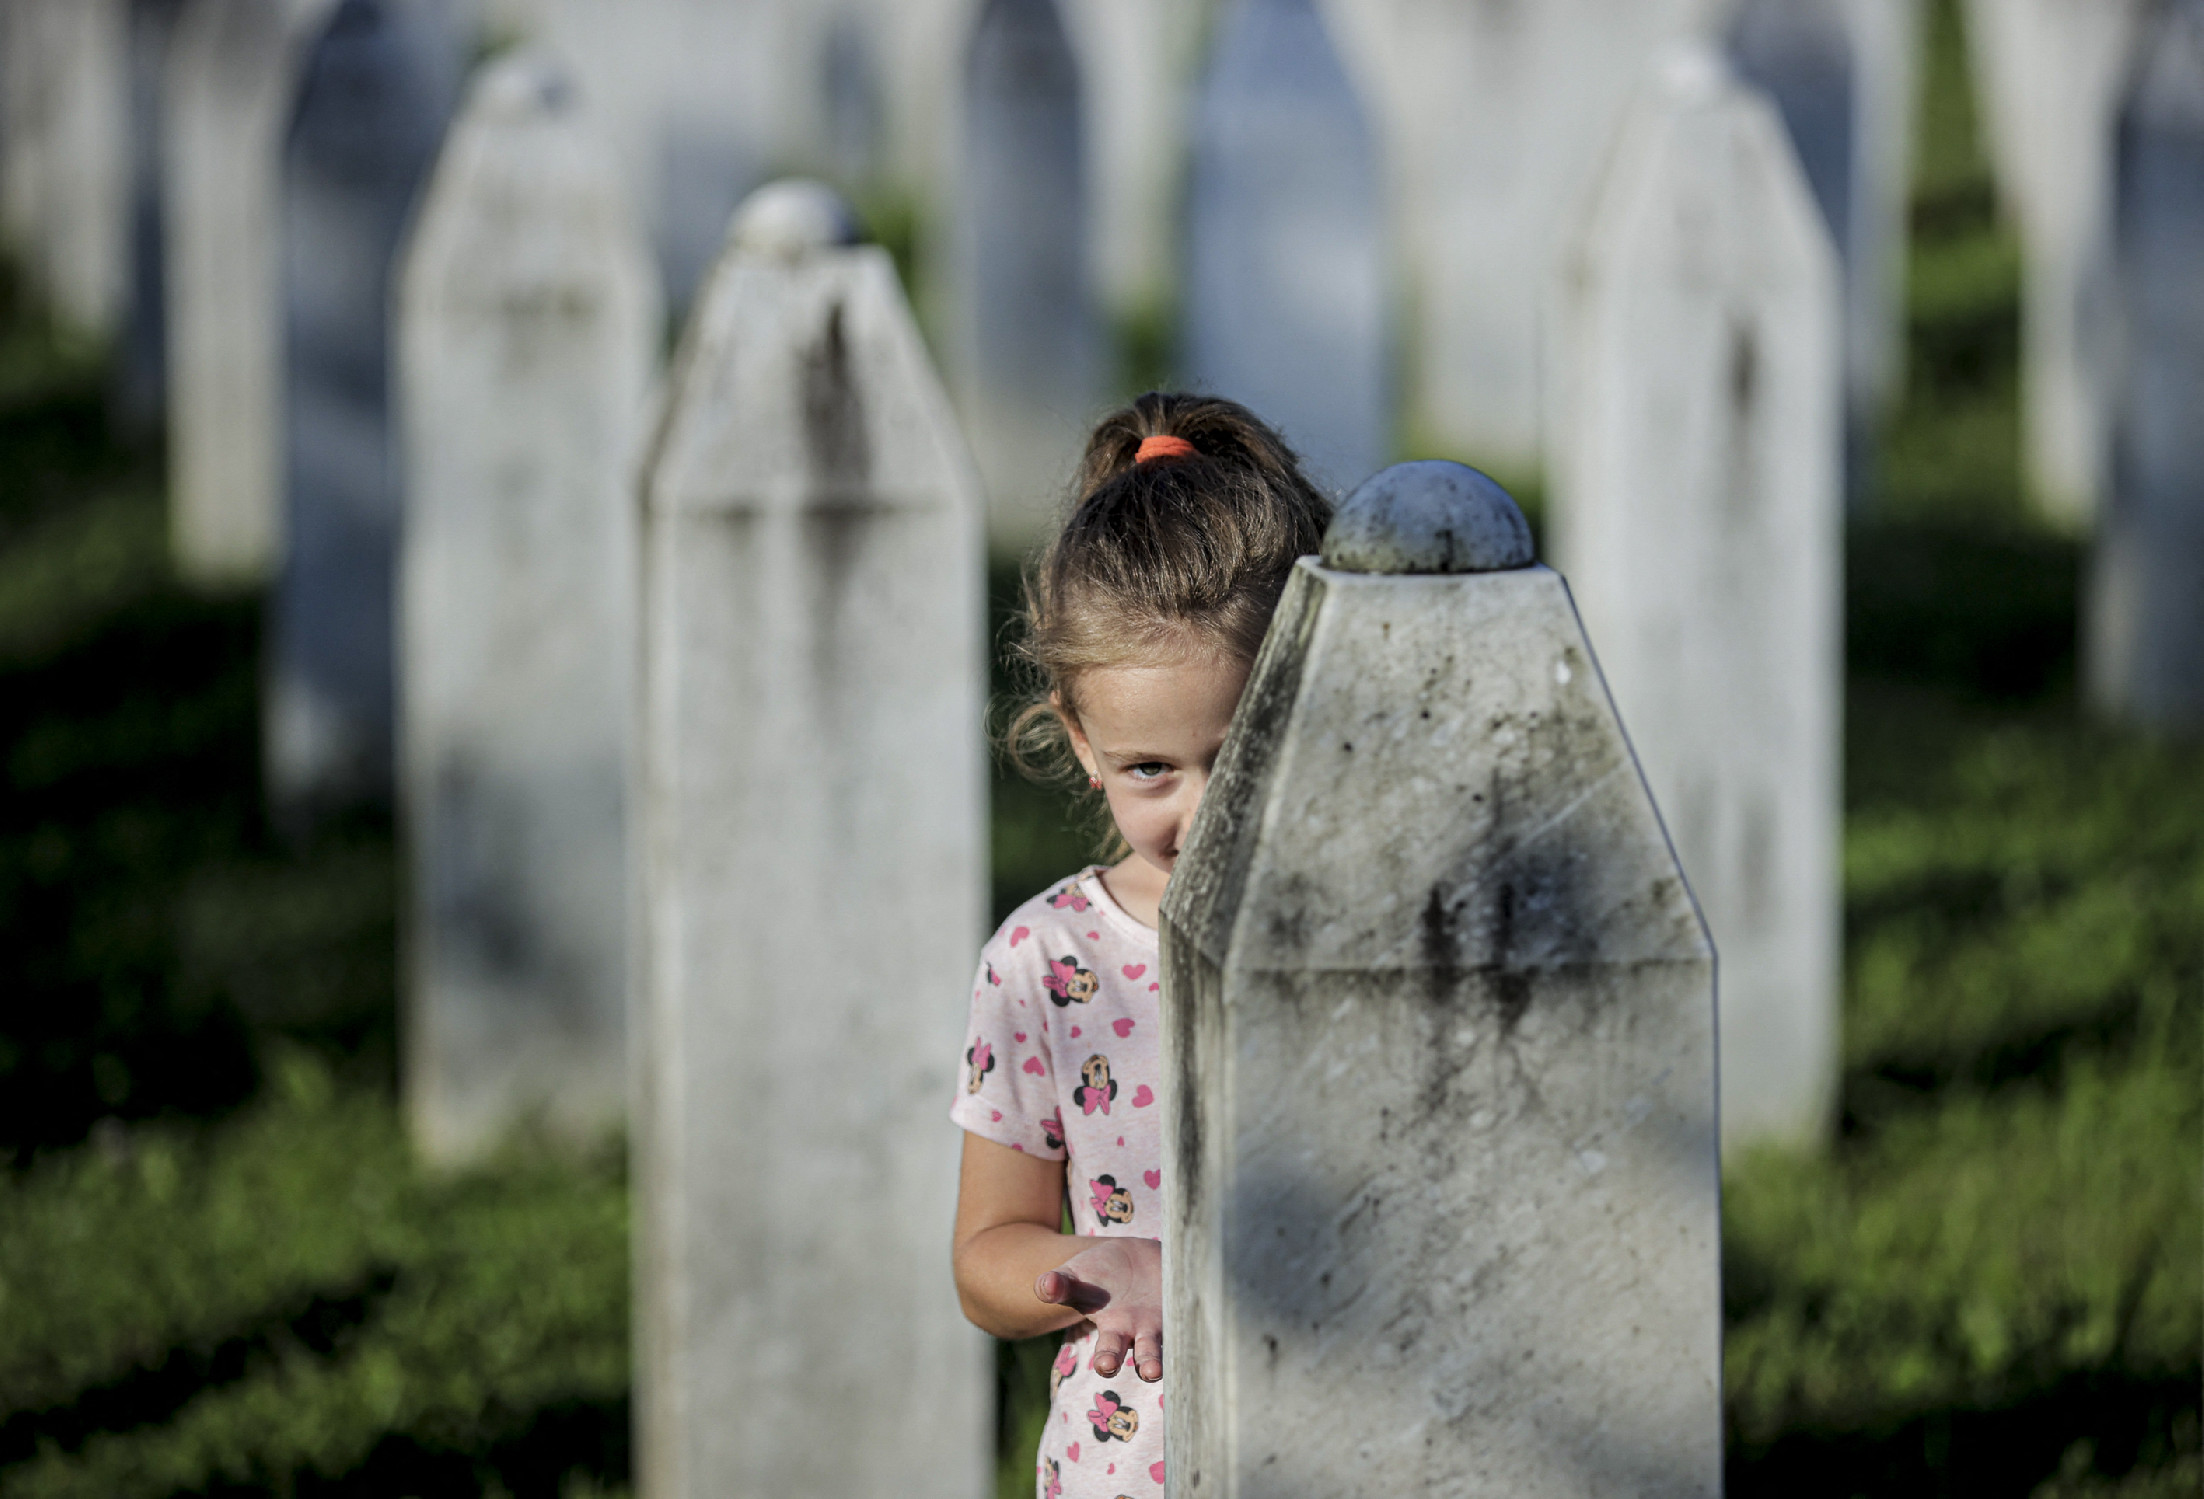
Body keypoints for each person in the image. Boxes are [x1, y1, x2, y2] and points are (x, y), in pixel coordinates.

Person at [950, 392, 1333, 1497]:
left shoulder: (1376, 927)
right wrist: (1091, 1264)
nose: (1202, 810)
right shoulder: (1044, 960)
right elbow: (986, 1253)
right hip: (1133, 1466)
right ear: (1079, 739)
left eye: (1242, 749)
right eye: (1150, 770)